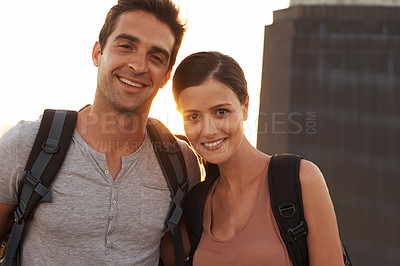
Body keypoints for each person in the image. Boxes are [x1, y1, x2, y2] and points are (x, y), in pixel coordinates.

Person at [0, 0, 200, 265]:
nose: (139, 66)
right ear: (97, 53)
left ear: (166, 75)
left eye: (155, 56)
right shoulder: (25, 144)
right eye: (126, 46)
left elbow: (179, 253)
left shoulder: (180, 162)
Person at [171, 51, 344, 265]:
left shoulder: (300, 179)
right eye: (193, 116)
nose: (208, 130)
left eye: (221, 112)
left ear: (245, 107)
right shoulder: (196, 203)